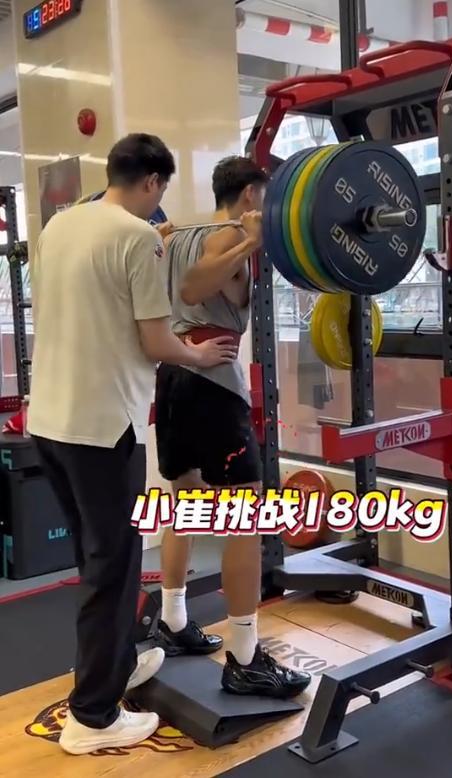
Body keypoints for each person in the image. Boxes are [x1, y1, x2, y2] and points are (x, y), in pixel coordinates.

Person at [27, 133, 238, 755]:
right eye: (159, 191)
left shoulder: (61, 226)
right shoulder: (138, 237)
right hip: (101, 429)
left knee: (96, 562)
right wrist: (197, 354)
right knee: (114, 568)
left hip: (50, 422)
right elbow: (155, 341)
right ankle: (93, 717)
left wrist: (151, 242)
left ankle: (114, 663)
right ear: (151, 182)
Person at [154, 156, 311, 698]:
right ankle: (245, 658)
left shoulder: (175, 235)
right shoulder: (228, 236)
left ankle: (173, 620)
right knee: (246, 517)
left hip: (173, 376)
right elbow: (194, 289)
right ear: (249, 194)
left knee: (184, 502)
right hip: (211, 381)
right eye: (264, 196)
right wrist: (252, 242)